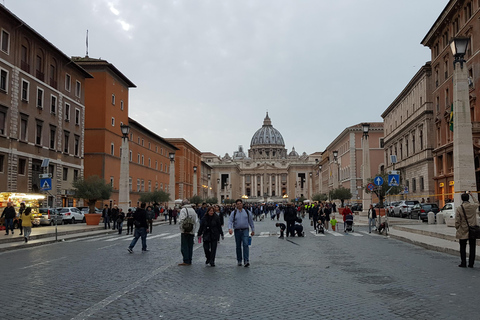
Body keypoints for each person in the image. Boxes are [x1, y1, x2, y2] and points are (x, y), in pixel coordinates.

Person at [455, 192, 479, 268]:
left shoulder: (459, 208)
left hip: (463, 229)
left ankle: (463, 262)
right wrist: (472, 196)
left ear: (462, 199)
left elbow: (457, 220)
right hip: (473, 229)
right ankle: (471, 263)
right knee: (472, 247)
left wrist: (457, 227)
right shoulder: (473, 206)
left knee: (462, 247)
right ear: (468, 198)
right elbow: (477, 202)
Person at [228, 199, 255, 267]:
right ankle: (239, 260)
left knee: (246, 244)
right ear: (236, 205)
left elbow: (251, 221)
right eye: (238, 204)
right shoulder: (233, 213)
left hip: (245, 230)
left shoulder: (247, 212)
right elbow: (230, 221)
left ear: (242, 204)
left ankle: (246, 260)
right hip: (237, 230)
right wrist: (229, 228)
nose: (239, 205)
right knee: (238, 246)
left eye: (240, 203)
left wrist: (253, 230)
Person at [178, 200, 198, 266]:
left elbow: (182, 220)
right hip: (192, 230)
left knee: (184, 246)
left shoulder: (183, 210)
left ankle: (186, 260)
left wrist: (182, 228)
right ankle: (189, 260)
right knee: (190, 246)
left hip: (185, 230)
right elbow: (196, 220)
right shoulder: (193, 210)